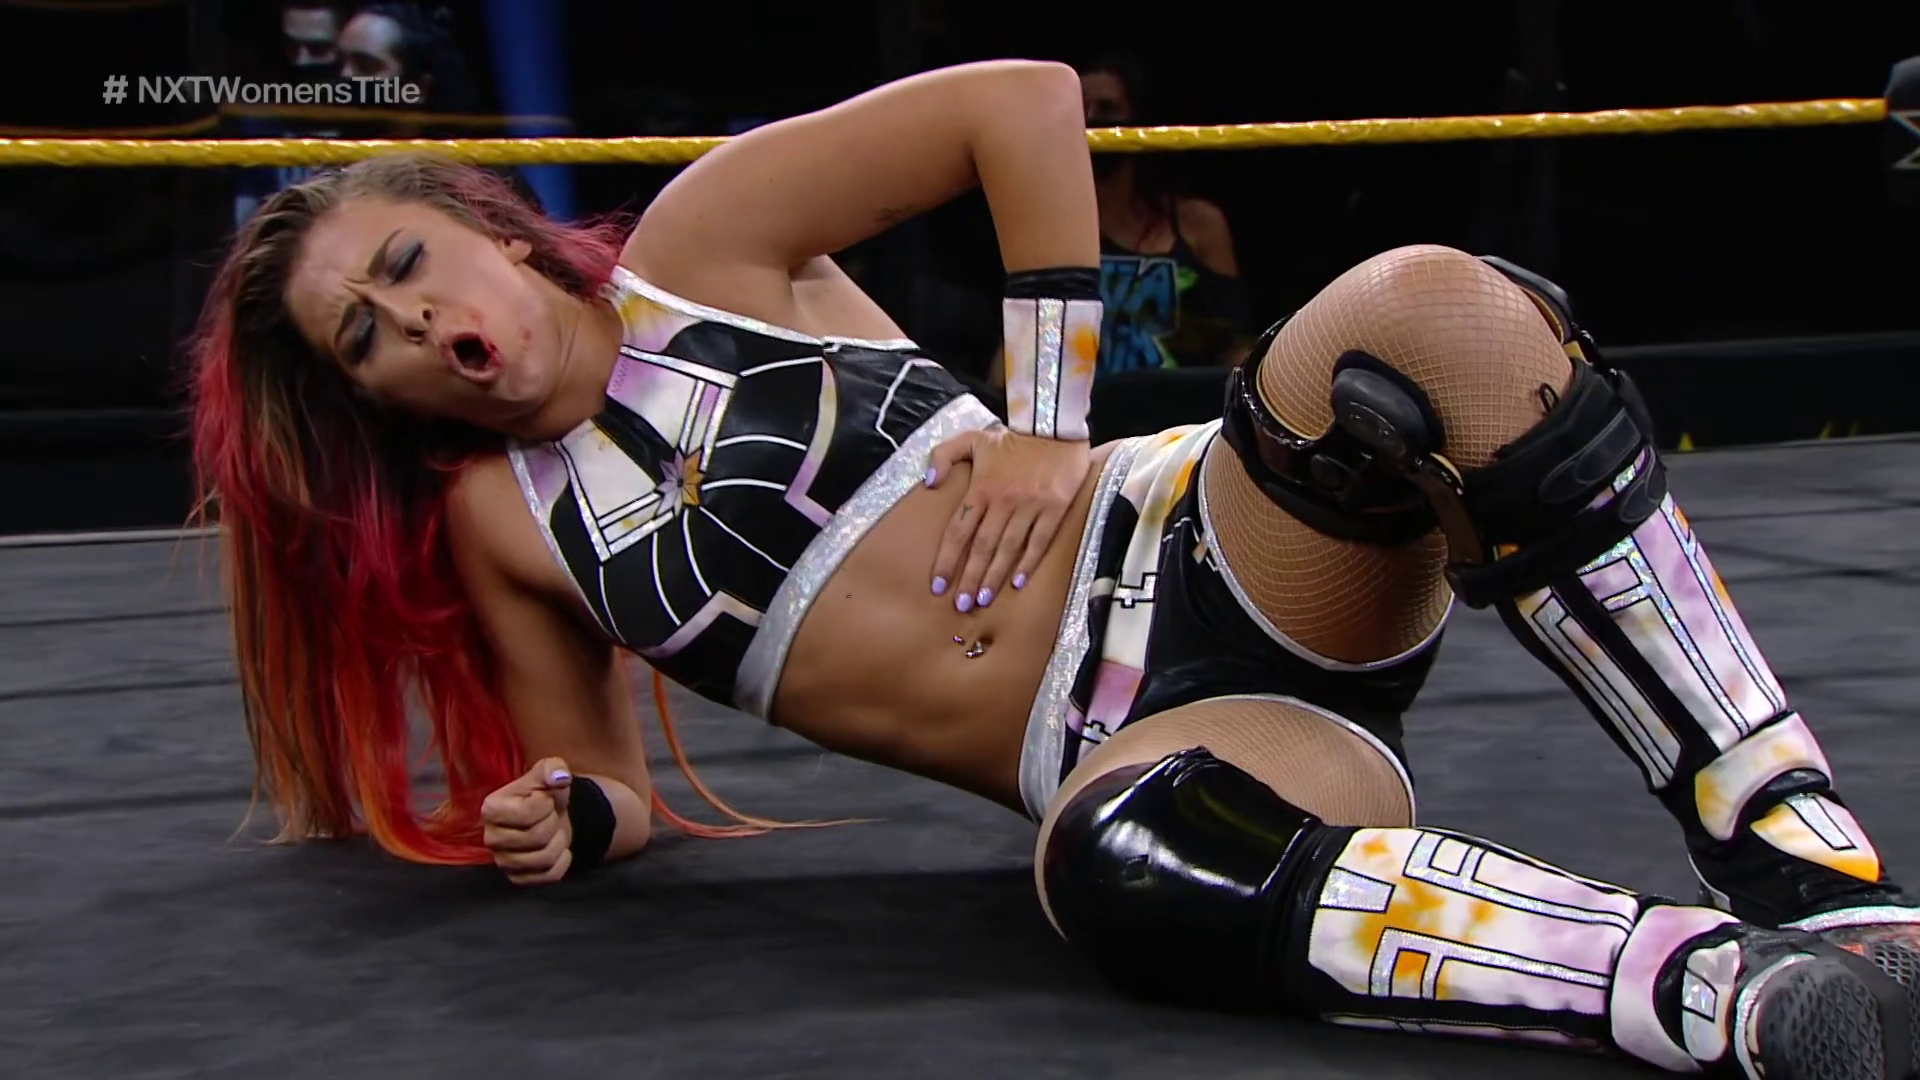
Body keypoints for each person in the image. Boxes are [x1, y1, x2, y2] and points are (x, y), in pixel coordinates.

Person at [191, 59, 1920, 1079]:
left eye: (408, 264)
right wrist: (573, 814)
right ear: (374, 395)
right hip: (1171, 745)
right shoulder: (508, 525)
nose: (420, 322)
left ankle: (1813, 873)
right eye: (368, 337)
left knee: (1429, 310)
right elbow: (613, 783)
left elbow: (1017, 102)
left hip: (1206, 542)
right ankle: (1730, 999)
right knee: (1114, 867)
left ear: (485, 229)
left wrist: (1038, 420)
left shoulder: (702, 245)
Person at [1077, 53, 1252, 373]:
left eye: (1107, 109)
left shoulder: (1197, 224)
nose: (1091, 121)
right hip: (1092, 399)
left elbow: (1235, 342)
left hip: (1182, 397)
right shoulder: (1055, 229)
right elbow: (1024, 339)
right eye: (1081, 109)